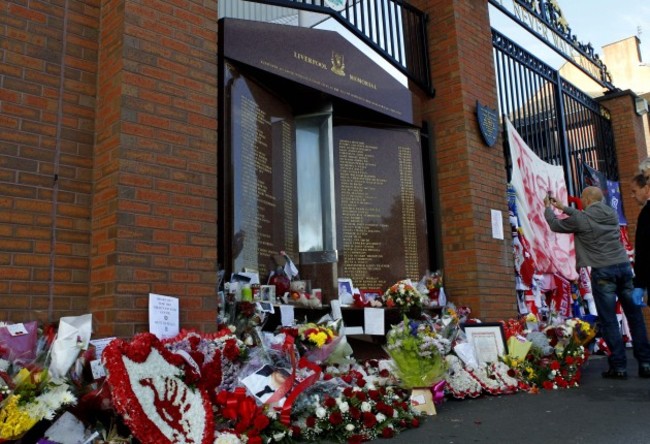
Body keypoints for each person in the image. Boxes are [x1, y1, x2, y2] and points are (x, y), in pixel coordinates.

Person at [544, 186, 650, 379]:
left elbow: (556, 225)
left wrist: (548, 209)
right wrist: (564, 207)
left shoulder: (582, 219)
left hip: (603, 271)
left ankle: (619, 367)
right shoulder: (610, 213)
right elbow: (582, 216)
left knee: (609, 320)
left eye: (583, 199)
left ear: (586, 199)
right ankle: (646, 363)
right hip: (624, 268)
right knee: (635, 317)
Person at [630, 174, 650, 306]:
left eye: (634, 191)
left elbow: (644, 250)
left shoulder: (646, 214)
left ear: (646, 188)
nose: (632, 196)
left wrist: (640, 283)